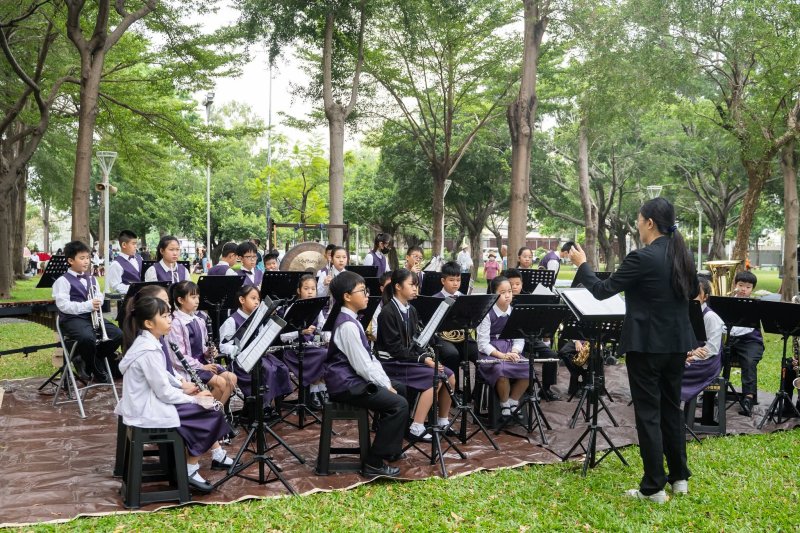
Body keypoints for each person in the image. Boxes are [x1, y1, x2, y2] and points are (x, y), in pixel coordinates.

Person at [568, 197, 698, 503]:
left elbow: (602, 291)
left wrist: (582, 265)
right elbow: (692, 292)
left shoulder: (642, 257)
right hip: (678, 344)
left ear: (649, 223)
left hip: (648, 345)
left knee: (649, 414)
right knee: (670, 408)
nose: (637, 226)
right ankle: (679, 478)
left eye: (639, 220)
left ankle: (653, 487)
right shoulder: (683, 254)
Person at [115, 295, 235, 493]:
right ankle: (189, 469)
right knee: (210, 412)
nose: (170, 320)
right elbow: (164, 393)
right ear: (148, 323)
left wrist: (183, 386)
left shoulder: (149, 342)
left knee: (206, 407)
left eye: (169, 315)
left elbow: (162, 377)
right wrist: (194, 399)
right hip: (148, 409)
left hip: (149, 403)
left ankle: (196, 463)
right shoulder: (149, 350)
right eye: (164, 316)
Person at [323, 271, 409, 477]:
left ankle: (392, 447)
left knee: (402, 388)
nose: (367, 295)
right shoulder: (347, 326)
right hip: (346, 386)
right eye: (362, 291)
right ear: (347, 296)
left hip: (353, 380)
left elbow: (370, 359)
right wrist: (384, 384)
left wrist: (387, 382)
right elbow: (363, 366)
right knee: (399, 404)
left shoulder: (352, 320)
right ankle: (374, 462)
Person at [375, 269, 455, 441]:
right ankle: (416, 427)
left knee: (451, 376)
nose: (415, 289)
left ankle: (442, 421)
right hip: (391, 363)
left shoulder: (410, 310)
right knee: (435, 377)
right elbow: (395, 350)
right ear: (397, 286)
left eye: (416, 285)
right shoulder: (387, 313)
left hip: (406, 359)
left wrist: (427, 356)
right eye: (411, 285)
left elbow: (415, 342)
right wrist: (423, 359)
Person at [52, 240, 123, 383]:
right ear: (71, 261)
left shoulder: (92, 278)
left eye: (88, 258)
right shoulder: (62, 281)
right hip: (73, 319)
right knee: (87, 338)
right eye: (82, 258)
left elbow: (99, 295)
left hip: (92, 317)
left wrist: (98, 301)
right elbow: (63, 306)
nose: (86, 261)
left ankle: (91, 358)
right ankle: (93, 368)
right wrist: (88, 305)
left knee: (117, 334)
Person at [219, 285, 292, 412]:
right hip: (242, 362)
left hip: (259, 356)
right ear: (242, 300)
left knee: (281, 368)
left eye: (258, 299)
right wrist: (235, 349)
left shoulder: (257, 318)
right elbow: (223, 345)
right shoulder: (232, 321)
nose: (257, 302)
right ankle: (262, 406)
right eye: (253, 298)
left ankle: (275, 404)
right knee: (267, 370)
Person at [167, 281, 237, 405]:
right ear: (181, 300)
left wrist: (209, 352)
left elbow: (202, 347)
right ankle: (207, 414)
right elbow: (177, 358)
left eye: (198, 297)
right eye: (193, 297)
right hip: (189, 368)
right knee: (220, 383)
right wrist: (202, 366)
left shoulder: (199, 319)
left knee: (231, 378)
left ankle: (217, 412)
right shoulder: (176, 323)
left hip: (203, 363)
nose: (197, 300)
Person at [475, 276, 530, 420]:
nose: (507, 295)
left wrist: (515, 351)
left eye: (510, 291)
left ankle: (513, 400)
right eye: (503, 292)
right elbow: (482, 344)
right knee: (501, 369)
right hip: (491, 352)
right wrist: (501, 355)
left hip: (510, 349)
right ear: (494, 293)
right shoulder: (487, 313)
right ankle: (504, 403)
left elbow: (519, 338)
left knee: (528, 369)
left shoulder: (515, 312)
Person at [503, 268, 561, 400]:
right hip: (508, 339)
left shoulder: (529, 297)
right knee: (522, 358)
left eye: (518, 284)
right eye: (511, 284)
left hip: (529, 337)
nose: (515, 287)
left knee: (551, 355)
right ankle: (522, 388)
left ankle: (546, 389)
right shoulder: (503, 298)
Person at [279, 274, 330, 410]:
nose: (310, 292)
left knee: (330, 352)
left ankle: (321, 390)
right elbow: (282, 336)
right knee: (323, 354)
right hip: (294, 350)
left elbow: (323, 327)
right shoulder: (292, 308)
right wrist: (301, 332)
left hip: (311, 347)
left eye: (313, 289)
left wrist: (326, 335)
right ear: (299, 291)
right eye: (306, 288)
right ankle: (315, 391)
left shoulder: (317, 307)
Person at [681, 277, 724, 404]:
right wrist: (688, 353)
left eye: (696, 293)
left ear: (705, 297)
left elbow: (712, 349)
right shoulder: (683, 313)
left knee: (673, 371)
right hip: (690, 355)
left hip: (707, 363)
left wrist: (692, 356)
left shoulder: (710, 317)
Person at [728, 270, 764, 416]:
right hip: (730, 338)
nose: (744, 289)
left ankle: (748, 397)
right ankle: (712, 390)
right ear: (735, 285)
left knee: (749, 361)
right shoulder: (726, 301)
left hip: (751, 341)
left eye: (748, 287)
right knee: (714, 354)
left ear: (752, 289)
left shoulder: (756, 305)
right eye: (741, 285)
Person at [107, 230, 142, 296]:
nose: (135, 246)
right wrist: (135, 288)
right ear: (124, 245)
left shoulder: (139, 258)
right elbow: (115, 285)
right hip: (128, 300)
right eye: (133, 244)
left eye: (136, 244)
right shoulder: (116, 264)